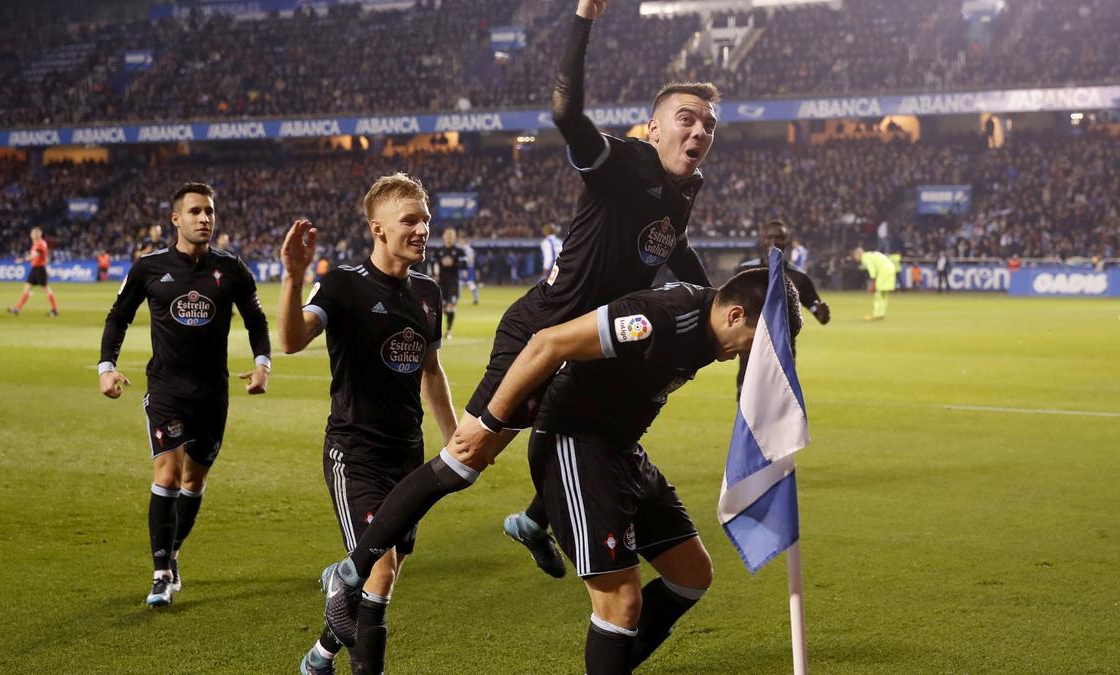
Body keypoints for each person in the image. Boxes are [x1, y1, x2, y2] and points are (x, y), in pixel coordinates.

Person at [319, 0, 721, 644]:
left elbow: (671, 246)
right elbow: (564, 113)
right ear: (652, 127)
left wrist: (716, 301)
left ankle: (537, 520)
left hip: (586, 345)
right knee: (465, 459)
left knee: (602, 426)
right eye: (686, 119)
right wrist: (584, 18)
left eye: (708, 124)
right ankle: (352, 570)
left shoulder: (683, 188)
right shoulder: (627, 163)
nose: (699, 132)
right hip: (541, 332)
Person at [454, 269, 801, 674]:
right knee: (621, 602)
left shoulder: (713, 333)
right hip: (574, 441)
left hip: (620, 449)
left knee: (691, 575)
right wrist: (489, 426)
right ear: (734, 314)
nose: (751, 355)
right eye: (756, 342)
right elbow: (548, 343)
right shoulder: (663, 315)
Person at [278, 174, 458, 675]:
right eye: (410, 220)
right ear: (377, 229)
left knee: (383, 573)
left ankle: (320, 656)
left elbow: (430, 369)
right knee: (379, 565)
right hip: (355, 452)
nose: (422, 228)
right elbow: (292, 340)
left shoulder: (428, 292)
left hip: (408, 454)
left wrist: (455, 438)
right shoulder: (343, 284)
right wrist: (293, 277)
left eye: (425, 218)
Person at [98, 182, 271, 608]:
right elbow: (118, 317)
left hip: (213, 393)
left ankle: (172, 555)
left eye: (209, 211)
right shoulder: (149, 267)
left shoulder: (231, 268)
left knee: (194, 481)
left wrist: (263, 362)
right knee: (168, 475)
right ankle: (159, 574)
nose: (204, 218)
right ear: (175, 219)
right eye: (195, 211)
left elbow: (256, 319)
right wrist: (107, 366)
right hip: (166, 391)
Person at [735, 220, 828, 394]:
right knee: (748, 410)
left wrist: (822, 314)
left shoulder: (799, 277)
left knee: (781, 407)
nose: (774, 241)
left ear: (787, 241)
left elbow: (817, 311)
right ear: (762, 239)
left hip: (783, 352)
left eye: (779, 237)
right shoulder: (744, 271)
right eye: (770, 237)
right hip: (750, 351)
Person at [8, 227, 59, 316]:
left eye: (34, 234)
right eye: (32, 234)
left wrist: (22, 260)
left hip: (39, 269)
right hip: (35, 269)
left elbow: (35, 255)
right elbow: (43, 256)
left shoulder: (39, 244)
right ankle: (17, 308)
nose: (32, 235)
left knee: (46, 289)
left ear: (38, 235)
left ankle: (55, 310)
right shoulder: (39, 243)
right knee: (27, 287)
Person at [430, 226, 466, 340]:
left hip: (453, 284)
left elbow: (464, 265)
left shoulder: (459, 251)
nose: (449, 237)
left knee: (451, 307)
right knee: (443, 310)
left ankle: (448, 331)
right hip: (441, 284)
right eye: (447, 234)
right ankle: (439, 328)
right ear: (443, 236)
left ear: (454, 237)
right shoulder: (438, 251)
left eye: (451, 235)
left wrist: (453, 263)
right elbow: (432, 264)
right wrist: (434, 275)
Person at [852, 247, 896, 320]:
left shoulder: (865, 258)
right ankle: (881, 314)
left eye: (855, 255)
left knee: (877, 293)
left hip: (884, 270)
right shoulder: (870, 254)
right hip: (891, 268)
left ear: (858, 254)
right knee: (883, 294)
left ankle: (875, 314)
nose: (855, 258)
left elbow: (872, 271)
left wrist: (873, 284)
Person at [458, 231, 480, 304]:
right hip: (465, 268)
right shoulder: (464, 248)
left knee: (469, 283)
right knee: (461, 283)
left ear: (464, 240)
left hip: (467, 268)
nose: (460, 241)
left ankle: (475, 298)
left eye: (461, 240)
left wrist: (465, 268)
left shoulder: (467, 249)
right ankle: (474, 298)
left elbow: (469, 259)